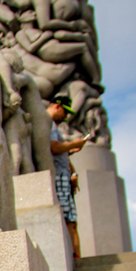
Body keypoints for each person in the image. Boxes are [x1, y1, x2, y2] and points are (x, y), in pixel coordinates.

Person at [48, 94, 86, 256]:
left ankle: (76, 255)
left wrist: (73, 172)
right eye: (65, 111)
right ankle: (74, 256)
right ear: (57, 105)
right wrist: (74, 143)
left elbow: (60, 153)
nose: (66, 116)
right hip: (58, 177)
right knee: (69, 219)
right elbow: (54, 148)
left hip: (64, 175)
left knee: (71, 220)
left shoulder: (53, 125)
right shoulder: (49, 124)